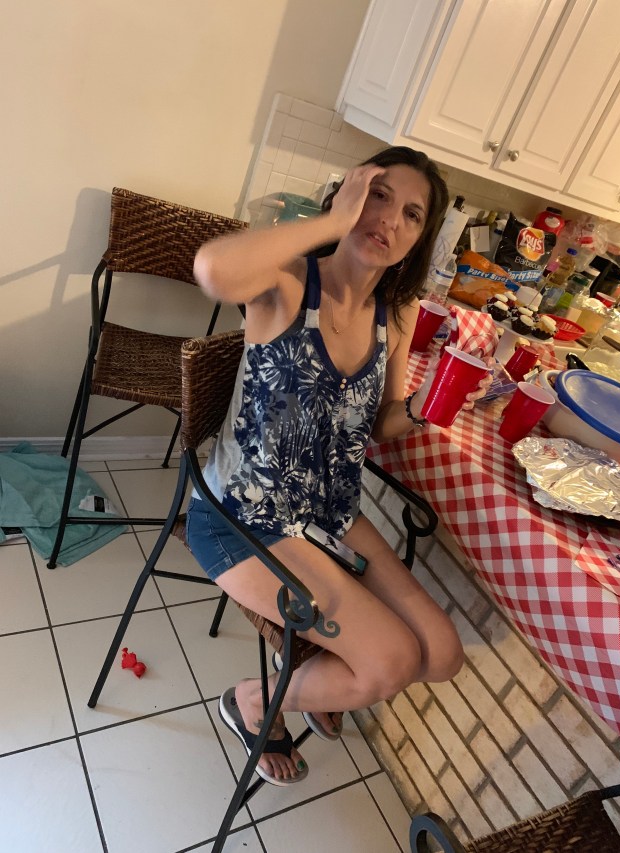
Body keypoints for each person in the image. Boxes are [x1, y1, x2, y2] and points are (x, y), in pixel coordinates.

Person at [188, 146, 492, 786]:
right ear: (350, 193)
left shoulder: (396, 315)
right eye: (379, 196)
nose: (389, 220)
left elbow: (380, 422)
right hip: (243, 516)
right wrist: (332, 222)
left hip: (331, 513)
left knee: (441, 655)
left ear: (420, 240)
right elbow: (212, 268)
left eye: (412, 214)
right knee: (389, 663)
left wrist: (425, 408)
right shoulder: (288, 284)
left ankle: (314, 682)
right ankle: (254, 702)